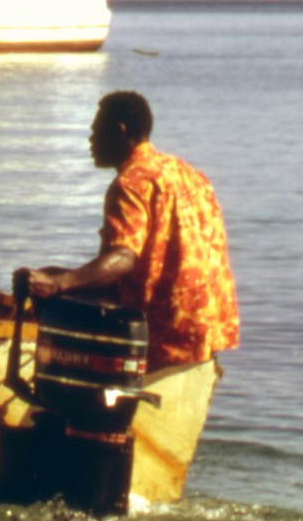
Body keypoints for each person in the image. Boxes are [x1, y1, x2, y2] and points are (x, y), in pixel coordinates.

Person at [25, 90, 236, 369]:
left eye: (96, 131)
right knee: (57, 275)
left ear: (119, 131)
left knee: (52, 288)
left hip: (163, 330)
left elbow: (124, 258)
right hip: (206, 327)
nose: (90, 141)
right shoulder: (190, 174)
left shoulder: (129, 182)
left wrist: (58, 284)